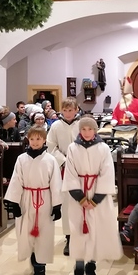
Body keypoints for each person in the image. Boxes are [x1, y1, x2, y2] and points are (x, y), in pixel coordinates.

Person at [63, 117, 122, 275]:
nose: (87, 132)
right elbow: (70, 173)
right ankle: (78, 269)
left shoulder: (103, 148)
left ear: (95, 130)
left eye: (90, 129)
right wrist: (80, 197)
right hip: (79, 197)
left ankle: (91, 268)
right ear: (79, 130)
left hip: (98, 196)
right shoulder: (73, 148)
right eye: (84, 129)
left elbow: (107, 173)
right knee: (79, 233)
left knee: (95, 232)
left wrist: (96, 199)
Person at [3, 125, 62, 275]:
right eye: (32, 139)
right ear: (28, 140)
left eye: (38, 139)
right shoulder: (22, 159)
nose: (35, 142)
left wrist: (57, 205)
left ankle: (40, 271)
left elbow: (56, 183)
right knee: (27, 235)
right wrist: (14, 203)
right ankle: (33, 260)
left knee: (43, 236)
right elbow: (16, 180)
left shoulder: (50, 160)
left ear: (44, 140)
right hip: (26, 199)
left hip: (44, 199)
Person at [47, 97, 81, 256]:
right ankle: (69, 237)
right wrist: (64, 160)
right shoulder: (55, 126)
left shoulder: (81, 124)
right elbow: (51, 146)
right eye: (65, 110)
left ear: (76, 110)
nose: (68, 113)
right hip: (64, 168)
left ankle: (82, 234)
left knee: (81, 201)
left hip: (81, 167)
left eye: (70, 110)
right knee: (67, 203)